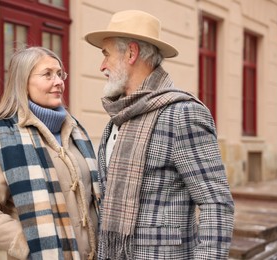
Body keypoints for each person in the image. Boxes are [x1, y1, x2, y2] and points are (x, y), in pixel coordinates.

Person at [84, 10, 235, 259]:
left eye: (106, 55)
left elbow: (216, 204)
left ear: (131, 53)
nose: (102, 66)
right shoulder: (119, 117)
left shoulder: (183, 114)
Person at [0, 46, 100, 260]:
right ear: (23, 82)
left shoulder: (77, 131)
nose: (58, 82)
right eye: (47, 74)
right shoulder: (3, 137)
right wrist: (28, 245)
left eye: (60, 74)